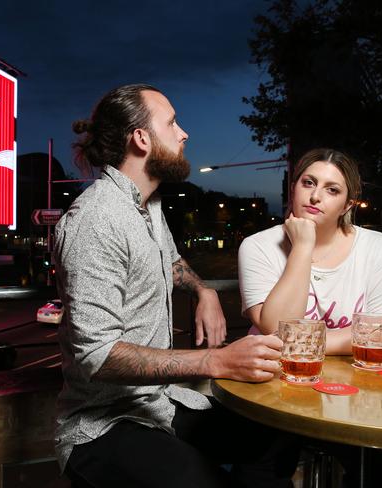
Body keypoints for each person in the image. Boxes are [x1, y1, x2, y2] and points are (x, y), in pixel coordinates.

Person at [54, 84, 299, 488]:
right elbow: (95, 356)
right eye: (172, 123)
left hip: (160, 403)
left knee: (273, 439)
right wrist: (214, 361)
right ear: (141, 138)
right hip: (104, 426)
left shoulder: (147, 204)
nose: (184, 133)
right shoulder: (95, 220)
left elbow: (170, 261)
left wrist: (204, 290)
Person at [238, 147, 382, 487]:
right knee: (256, 472)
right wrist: (302, 248)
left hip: (359, 390)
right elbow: (273, 327)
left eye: (332, 189)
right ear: (293, 187)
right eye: (308, 182)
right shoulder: (258, 246)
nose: (316, 195)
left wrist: (299, 343)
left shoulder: (378, 247)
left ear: (348, 205)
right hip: (277, 387)